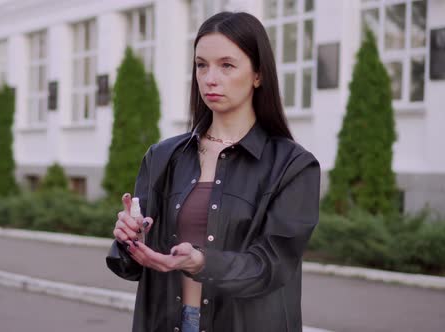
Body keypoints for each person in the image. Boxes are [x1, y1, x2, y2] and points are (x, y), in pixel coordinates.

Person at [106, 11, 320, 332]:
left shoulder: (292, 165)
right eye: (201, 65)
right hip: (167, 323)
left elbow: (272, 266)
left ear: (258, 74)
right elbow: (132, 265)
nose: (210, 78)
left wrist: (203, 262)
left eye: (227, 65)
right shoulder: (163, 156)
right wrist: (131, 239)